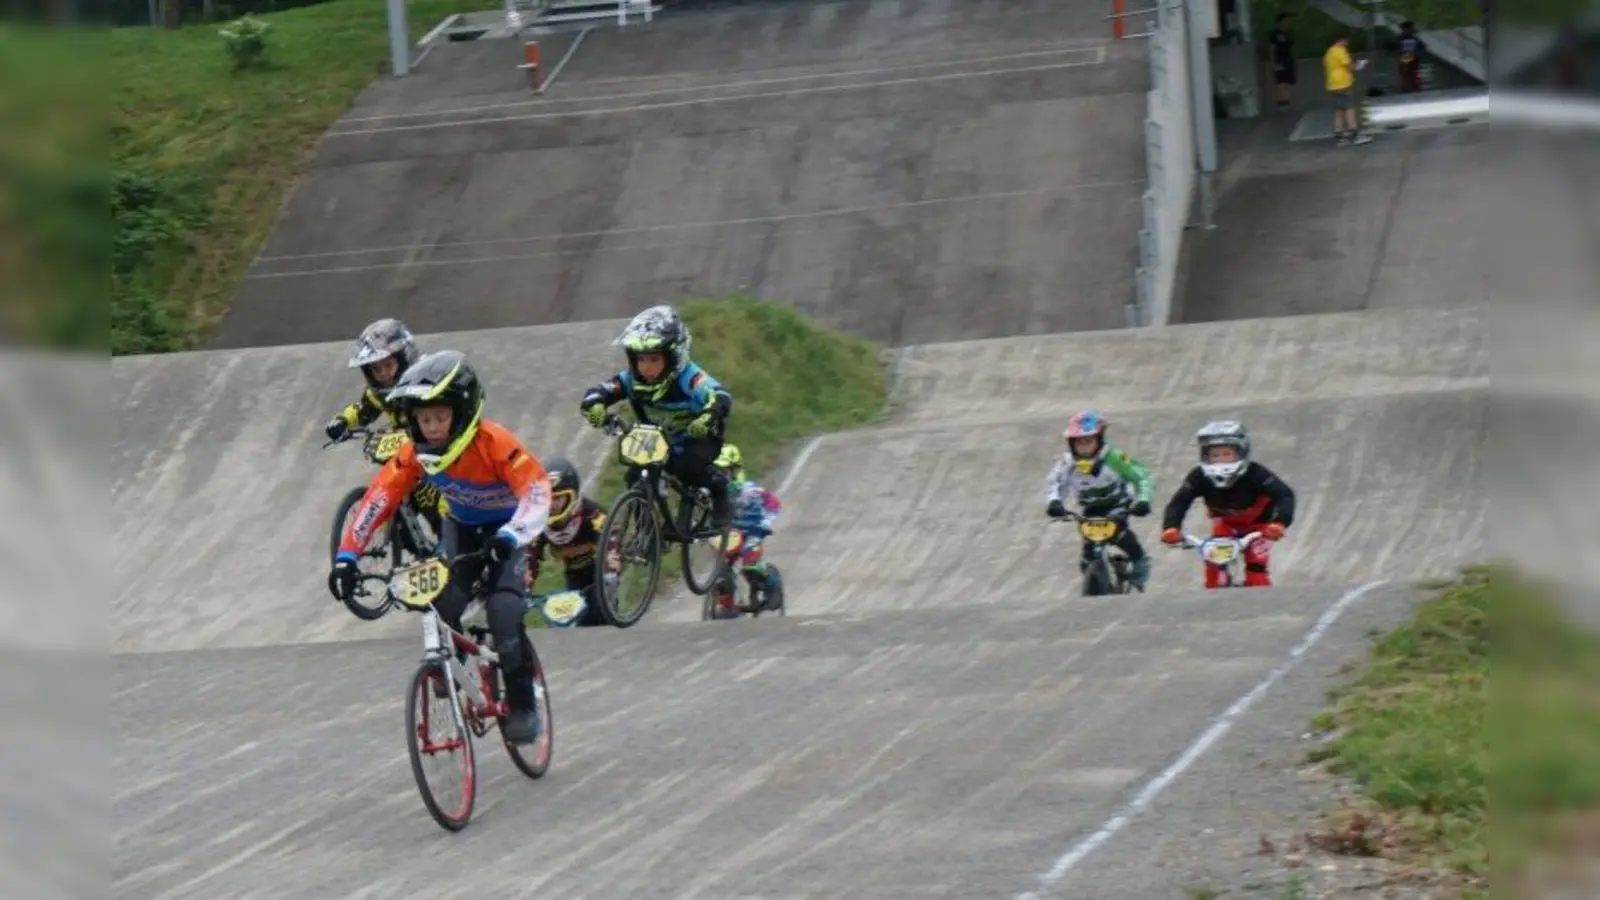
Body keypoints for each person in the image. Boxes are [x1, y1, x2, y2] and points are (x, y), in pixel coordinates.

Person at [329, 350, 552, 743]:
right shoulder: (416, 452)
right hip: (461, 528)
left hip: (509, 532)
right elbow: (378, 499)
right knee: (444, 603)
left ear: (462, 412)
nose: (431, 428)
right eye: (423, 419)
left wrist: (512, 535)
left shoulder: (494, 442)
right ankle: (454, 666)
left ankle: (523, 706)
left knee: (503, 612)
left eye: (440, 417)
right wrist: (347, 557)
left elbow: (536, 490)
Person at [579, 305, 734, 527]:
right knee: (634, 477)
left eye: (653, 359)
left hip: (698, 438)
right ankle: (647, 532)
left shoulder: (689, 377)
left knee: (688, 469)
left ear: (673, 356)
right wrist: (594, 406)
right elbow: (601, 391)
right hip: (656, 440)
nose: (646, 368)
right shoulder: (631, 379)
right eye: (640, 359)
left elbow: (720, 395)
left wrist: (708, 416)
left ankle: (719, 487)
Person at [322, 317, 442, 533]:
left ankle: (449, 536)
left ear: (404, 359)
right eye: (377, 369)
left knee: (431, 499)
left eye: (388, 365)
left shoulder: (425, 377)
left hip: (438, 450)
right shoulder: (377, 394)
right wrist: (342, 421)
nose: (384, 373)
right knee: (393, 488)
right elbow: (363, 410)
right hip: (406, 453)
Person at [1160, 420, 1296, 588]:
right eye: (1215, 455)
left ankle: (1261, 598)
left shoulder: (1257, 474)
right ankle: (1214, 597)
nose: (1220, 460)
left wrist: (1279, 522)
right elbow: (1179, 502)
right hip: (1226, 525)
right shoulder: (1199, 476)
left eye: (1226, 454)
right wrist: (1171, 527)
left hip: (1260, 528)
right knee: (1214, 567)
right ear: (1205, 456)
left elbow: (1284, 495)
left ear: (1241, 452)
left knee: (1256, 570)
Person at [1044, 410, 1155, 590]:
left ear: (1099, 439)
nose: (1083, 447)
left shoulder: (1114, 458)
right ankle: (1097, 580)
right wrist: (1054, 502)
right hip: (1090, 508)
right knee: (1087, 555)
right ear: (1071, 443)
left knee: (1118, 533)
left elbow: (1141, 476)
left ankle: (1139, 559)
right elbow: (1055, 482)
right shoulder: (1067, 462)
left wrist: (1143, 500)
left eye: (1088, 441)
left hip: (1117, 503)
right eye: (1079, 442)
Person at [524, 457, 614, 628]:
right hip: (573, 575)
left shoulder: (592, 513)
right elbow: (531, 557)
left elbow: (613, 541)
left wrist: (611, 573)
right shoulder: (540, 524)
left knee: (600, 615)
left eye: (558, 498)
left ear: (572, 496)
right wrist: (524, 588)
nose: (553, 505)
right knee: (572, 622)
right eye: (549, 499)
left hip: (599, 572)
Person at [709, 444, 784, 619]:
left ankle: (773, 586)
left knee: (751, 564)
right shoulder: (714, 494)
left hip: (753, 532)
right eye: (717, 472)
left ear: (736, 471)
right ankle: (726, 605)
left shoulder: (752, 491)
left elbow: (774, 504)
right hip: (731, 534)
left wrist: (766, 521)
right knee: (721, 570)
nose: (721, 476)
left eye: (725, 471)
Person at [1323, 35, 1372, 146]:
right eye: (1346, 41)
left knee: (1339, 110)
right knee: (1349, 108)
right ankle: (1354, 135)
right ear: (1341, 40)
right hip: (1342, 83)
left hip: (1333, 84)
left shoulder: (1329, 52)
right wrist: (1361, 65)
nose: (1347, 44)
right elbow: (1350, 66)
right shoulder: (1340, 51)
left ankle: (1339, 137)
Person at [1269, 13, 1297, 108]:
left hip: (1288, 61)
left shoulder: (1289, 34)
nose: (1287, 23)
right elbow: (1272, 49)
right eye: (1285, 21)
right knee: (1281, 82)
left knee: (1288, 83)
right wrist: (1274, 63)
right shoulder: (1275, 35)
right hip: (1279, 61)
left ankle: (1287, 102)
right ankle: (1280, 102)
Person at [1394, 21, 1428, 94]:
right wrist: (1399, 52)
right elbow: (1395, 48)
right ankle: (1406, 88)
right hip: (1404, 58)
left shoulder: (1414, 39)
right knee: (1405, 74)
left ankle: (1415, 87)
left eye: (1411, 29)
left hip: (1413, 58)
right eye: (1409, 29)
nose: (1410, 31)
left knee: (1414, 73)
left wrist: (1417, 52)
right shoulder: (1400, 39)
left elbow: (1423, 47)